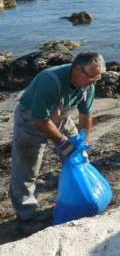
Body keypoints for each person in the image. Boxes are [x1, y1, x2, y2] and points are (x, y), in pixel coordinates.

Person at [9, 52, 105, 233]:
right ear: (77, 69)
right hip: (31, 118)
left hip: (60, 118)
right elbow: (40, 121)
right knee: (26, 170)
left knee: (79, 158)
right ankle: (26, 217)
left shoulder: (89, 84)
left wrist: (83, 142)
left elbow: (86, 115)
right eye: (91, 76)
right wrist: (63, 143)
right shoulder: (50, 80)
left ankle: (80, 198)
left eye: (97, 77)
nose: (94, 81)